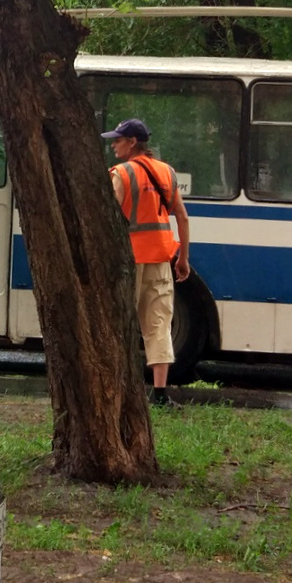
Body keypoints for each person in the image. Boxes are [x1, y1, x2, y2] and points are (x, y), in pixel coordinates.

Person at [102, 118, 192, 400]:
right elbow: (182, 216)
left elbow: (109, 219)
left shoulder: (121, 173)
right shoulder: (167, 173)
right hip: (160, 259)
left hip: (127, 263)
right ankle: (161, 393)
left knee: (119, 323)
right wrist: (183, 258)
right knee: (158, 324)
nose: (114, 144)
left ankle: (118, 388)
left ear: (132, 143)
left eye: (118, 139)